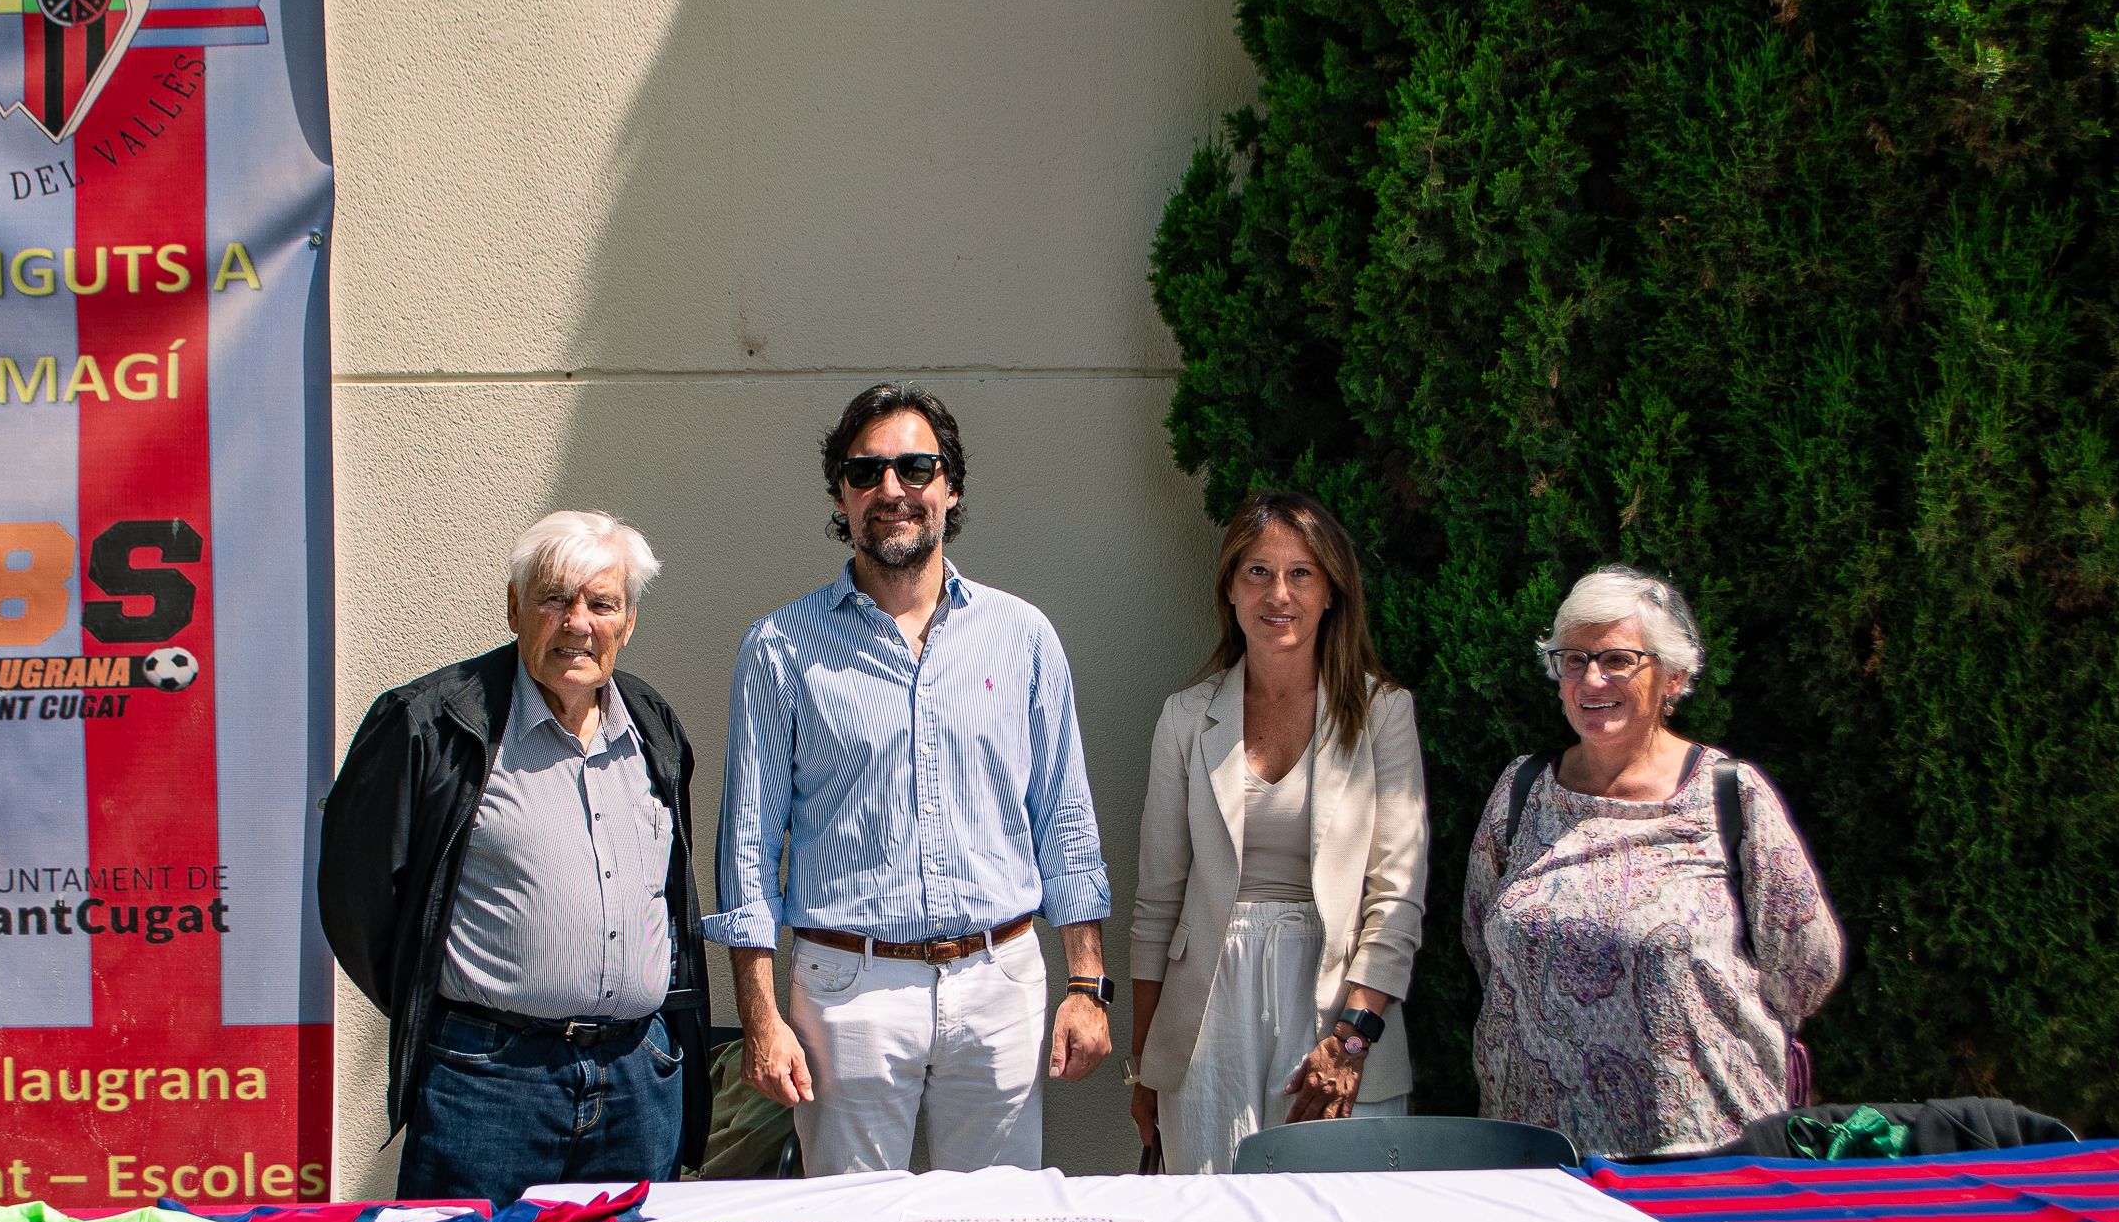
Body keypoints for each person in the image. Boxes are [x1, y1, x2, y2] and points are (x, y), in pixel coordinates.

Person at [710, 384, 1113, 1174]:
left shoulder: (1022, 637)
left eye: (915, 467)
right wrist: (759, 1015)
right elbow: (747, 849)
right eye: (867, 472)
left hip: (1000, 980)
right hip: (845, 990)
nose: (891, 489)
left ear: (950, 487)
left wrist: (1087, 983)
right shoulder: (779, 649)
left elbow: (1064, 818)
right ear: (841, 495)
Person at [318, 511, 711, 1207]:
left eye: (601, 603)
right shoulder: (430, 724)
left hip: (638, 1082)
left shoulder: (651, 723)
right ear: (513, 607)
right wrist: (440, 1008)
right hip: (489, 1084)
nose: (577, 623)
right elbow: (359, 903)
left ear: (629, 621)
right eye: (554, 598)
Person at [1460, 565, 1843, 1157]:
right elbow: (1483, 942)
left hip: (1699, 1153)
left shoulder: (1729, 796)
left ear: (1673, 676)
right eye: (1573, 660)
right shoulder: (1522, 790)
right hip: (1537, 1159)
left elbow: (1805, 966)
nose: (1592, 679)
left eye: (1617, 659)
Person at [1126, 492, 1427, 1172]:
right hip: (1206, 1017)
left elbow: (1396, 899)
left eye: (1302, 574)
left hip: (1337, 1006)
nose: (1278, 593)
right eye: (1257, 572)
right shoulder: (1185, 718)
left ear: (1331, 593)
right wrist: (1145, 1062)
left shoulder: (1383, 715)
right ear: (1229, 589)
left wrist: (1353, 1040)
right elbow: (1156, 905)